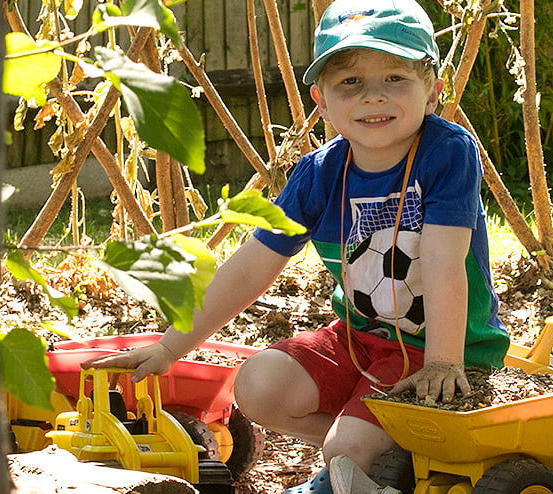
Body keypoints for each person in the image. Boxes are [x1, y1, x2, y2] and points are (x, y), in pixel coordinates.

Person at [84, 0, 510, 492]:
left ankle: (357, 459)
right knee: (256, 385)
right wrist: (169, 348)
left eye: (395, 78)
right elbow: (250, 268)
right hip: (358, 338)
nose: (374, 97)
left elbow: (442, 263)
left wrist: (443, 362)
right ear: (321, 101)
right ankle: (384, 452)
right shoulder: (320, 173)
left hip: (435, 347)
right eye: (350, 82)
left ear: (433, 91)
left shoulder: (446, 153)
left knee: (344, 450)